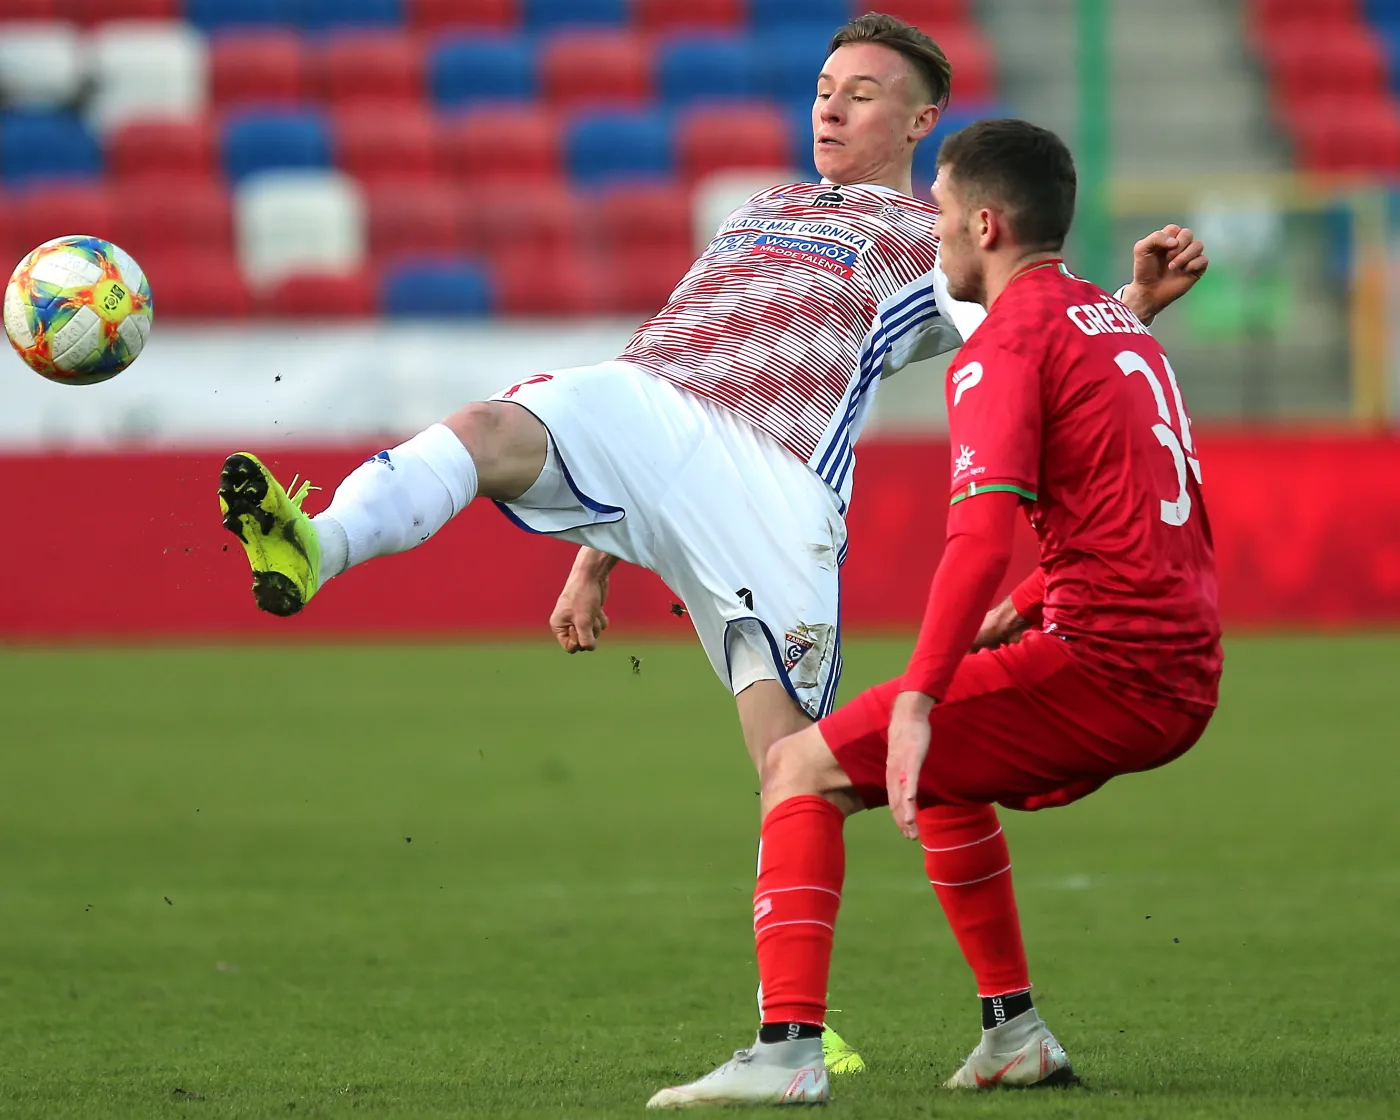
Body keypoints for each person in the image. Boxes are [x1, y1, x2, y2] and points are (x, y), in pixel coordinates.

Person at [217, 16, 1208, 1078]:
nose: (829, 104)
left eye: (861, 93)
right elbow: (676, 339)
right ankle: (313, 547)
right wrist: (597, 548)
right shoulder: (760, 205)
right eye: (825, 86)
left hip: (771, 480)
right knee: (489, 427)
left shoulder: (930, 235)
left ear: (921, 122)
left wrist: (1127, 306)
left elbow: (1021, 321)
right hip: (646, 405)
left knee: (791, 765)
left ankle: (801, 1024)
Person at [645, 117, 1223, 1108]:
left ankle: (785, 1050)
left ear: (987, 225)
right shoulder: (1114, 324)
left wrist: (918, 692)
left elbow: (976, 536)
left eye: (943, 219)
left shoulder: (998, 347)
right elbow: (1146, 514)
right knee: (946, 780)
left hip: (1106, 667)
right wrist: (1031, 602)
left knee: (798, 767)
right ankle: (1013, 1032)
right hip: (1175, 662)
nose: (933, 239)